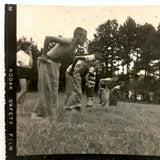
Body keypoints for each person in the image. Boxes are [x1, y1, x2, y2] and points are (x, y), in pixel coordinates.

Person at [32, 27, 87, 119]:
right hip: (47, 62)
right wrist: (44, 54)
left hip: (55, 65)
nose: (85, 39)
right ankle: (36, 115)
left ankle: (48, 114)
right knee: (46, 89)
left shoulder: (74, 45)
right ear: (78, 36)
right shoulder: (69, 41)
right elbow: (48, 38)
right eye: (84, 37)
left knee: (52, 92)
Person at [17, 42, 33, 106]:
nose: (30, 48)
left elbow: (31, 65)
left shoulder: (28, 55)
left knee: (25, 91)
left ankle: (21, 105)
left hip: (28, 71)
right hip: (22, 71)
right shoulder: (19, 53)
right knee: (23, 90)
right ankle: (15, 102)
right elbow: (21, 65)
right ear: (26, 47)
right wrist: (28, 66)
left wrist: (31, 55)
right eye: (29, 47)